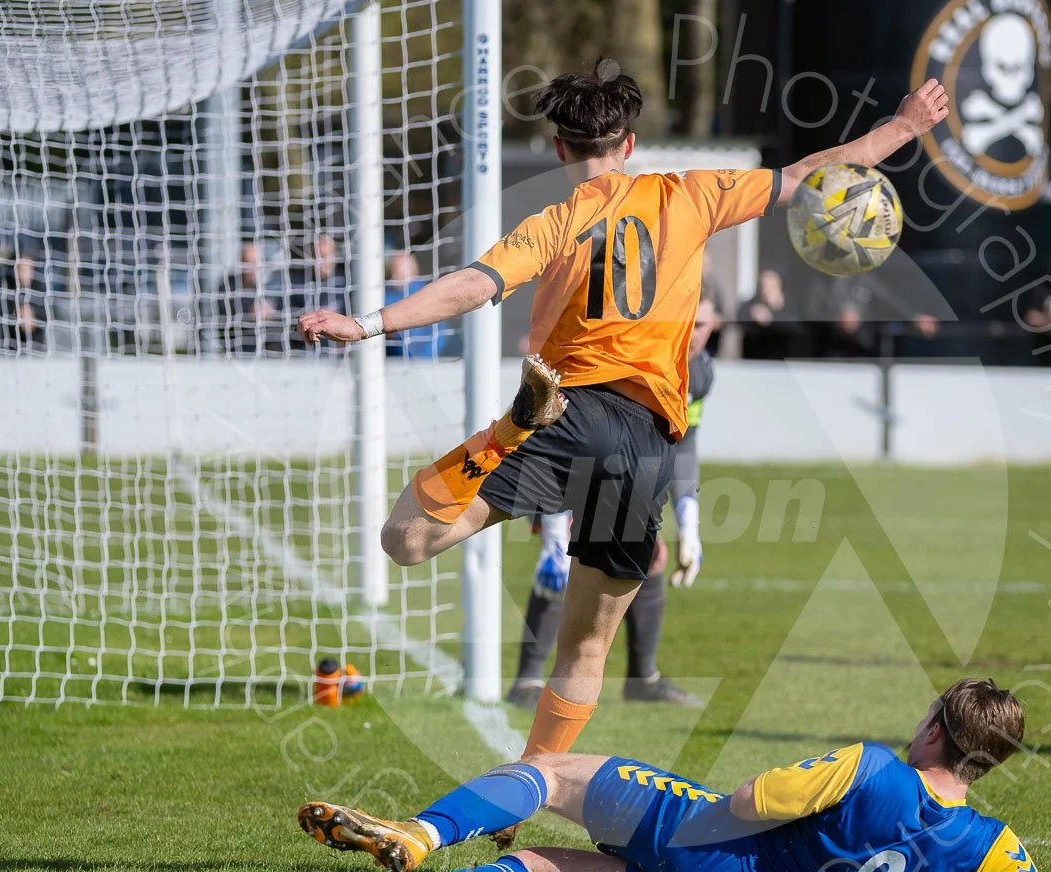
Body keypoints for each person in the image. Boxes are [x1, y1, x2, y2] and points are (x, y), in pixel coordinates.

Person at [297, 66, 951, 783]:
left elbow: (474, 286)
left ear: (559, 148)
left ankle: (509, 432)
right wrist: (905, 126)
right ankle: (528, 786)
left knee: (406, 539)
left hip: (565, 412)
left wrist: (368, 323)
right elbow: (809, 175)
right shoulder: (691, 193)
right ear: (630, 144)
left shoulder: (555, 221)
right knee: (586, 647)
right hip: (644, 441)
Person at [260, 678, 1051, 872]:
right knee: (545, 871)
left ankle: (419, 836)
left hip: (710, 849)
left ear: (934, 731)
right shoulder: (991, 852)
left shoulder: (874, 768)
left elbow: (745, 804)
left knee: (549, 774)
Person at [507, 289, 723, 710]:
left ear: (715, 325)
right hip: (561, 459)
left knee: (649, 555)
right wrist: (553, 533)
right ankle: (527, 681)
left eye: (702, 324)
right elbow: (563, 432)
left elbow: (685, 444)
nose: (693, 333)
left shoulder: (699, 372)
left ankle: (643, 679)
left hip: (627, 467)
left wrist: (689, 524)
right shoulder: (631, 354)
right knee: (561, 564)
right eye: (688, 320)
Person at [217, 239, 279, 354]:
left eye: (257, 262)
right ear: (241, 262)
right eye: (249, 262)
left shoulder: (262, 287)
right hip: (233, 349)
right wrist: (250, 312)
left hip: (260, 350)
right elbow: (224, 311)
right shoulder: (227, 285)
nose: (253, 268)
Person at [739, 268, 809, 359]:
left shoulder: (792, 305)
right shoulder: (753, 304)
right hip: (756, 358)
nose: (766, 291)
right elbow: (739, 317)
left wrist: (773, 316)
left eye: (771, 287)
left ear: (780, 287)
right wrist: (751, 312)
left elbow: (798, 328)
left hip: (782, 359)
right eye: (763, 287)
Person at [0, 255, 47, 353]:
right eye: (20, 269)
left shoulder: (40, 288)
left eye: (26, 270)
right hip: (10, 346)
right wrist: (16, 313)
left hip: (35, 347)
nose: (22, 274)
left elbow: (51, 313)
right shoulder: (5, 286)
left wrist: (32, 314)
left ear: (32, 271)